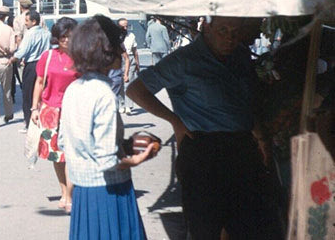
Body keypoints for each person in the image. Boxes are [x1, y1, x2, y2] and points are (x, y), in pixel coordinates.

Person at [126, 16, 283, 239]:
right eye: (223, 30)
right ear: (206, 28)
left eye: (234, 31)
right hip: (203, 152)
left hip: (242, 150)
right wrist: (174, 120)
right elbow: (136, 90)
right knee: (204, 228)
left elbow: (243, 102)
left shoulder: (239, 55)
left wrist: (261, 138)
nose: (229, 37)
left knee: (247, 226)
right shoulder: (184, 60)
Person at [61, 15, 158, 239]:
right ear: (108, 50)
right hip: (108, 192)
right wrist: (140, 156)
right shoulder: (104, 94)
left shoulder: (74, 88)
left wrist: (122, 144)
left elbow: (65, 141)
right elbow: (107, 159)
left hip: (84, 192)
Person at [30, 17, 78, 213]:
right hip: (50, 111)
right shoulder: (47, 57)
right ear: (57, 38)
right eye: (62, 37)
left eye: (69, 36)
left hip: (73, 111)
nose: (66, 40)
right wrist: (34, 108)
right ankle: (64, 192)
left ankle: (71, 196)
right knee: (56, 156)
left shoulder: (82, 57)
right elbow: (39, 82)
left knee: (71, 155)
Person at [8, 10, 50, 132]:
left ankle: (28, 122)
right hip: (45, 64)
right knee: (42, 93)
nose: (25, 24)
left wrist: (13, 58)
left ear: (34, 21)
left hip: (32, 65)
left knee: (28, 94)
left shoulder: (30, 34)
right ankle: (43, 119)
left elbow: (23, 50)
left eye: (27, 21)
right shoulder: (47, 33)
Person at [11, 0, 33, 103]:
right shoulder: (39, 17)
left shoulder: (18, 19)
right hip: (36, 53)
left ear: (20, 6)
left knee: (24, 81)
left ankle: (27, 103)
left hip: (24, 53)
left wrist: (21, 55)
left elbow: (18, 38)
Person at [117, 18, 139, 115]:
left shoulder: (131, 36)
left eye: (127, 26)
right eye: (123, 26)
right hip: (119, 59)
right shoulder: (116, 37)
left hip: (130, 59)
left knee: (128, 82)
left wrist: (138, 64)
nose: (125, 28)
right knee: (120, 83)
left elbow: (135, 51)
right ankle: (121, 104)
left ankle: (128, 105)